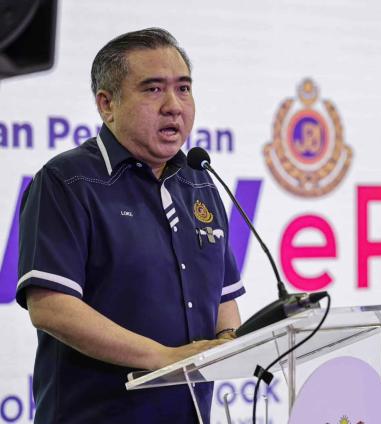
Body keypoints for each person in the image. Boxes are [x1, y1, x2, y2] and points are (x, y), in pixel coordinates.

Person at [16, 28, 245, 423]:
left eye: (184, 88)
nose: (174, 106)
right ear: (107, 104)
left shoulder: (200, 182)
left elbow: (223, 299)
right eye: (153, 89)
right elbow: (51, 307)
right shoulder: (67, 181)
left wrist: (228, 343)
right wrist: (163, 357)